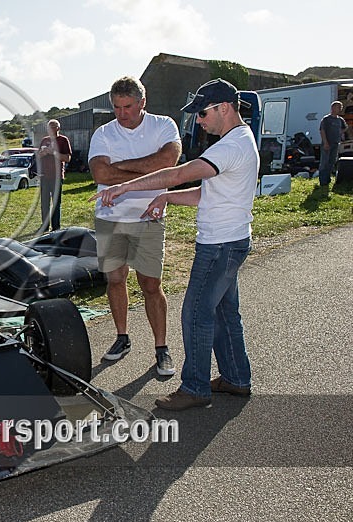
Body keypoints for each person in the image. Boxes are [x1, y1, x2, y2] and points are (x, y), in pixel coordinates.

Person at [93, 78, 258, 411]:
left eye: (203, 113)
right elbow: (203, 192)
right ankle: (236, 379)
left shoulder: (230, 145)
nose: (199, 120)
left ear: (223, 108)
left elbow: (177, 172)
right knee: (226, 314)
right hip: (231, 241)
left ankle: (195, 387)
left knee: (196, 314)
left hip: (220, 245)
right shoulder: (240, 140)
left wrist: (126, 188)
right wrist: (166, 196)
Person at [87, 76, 182, 376]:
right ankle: (122, 338)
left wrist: (121, 171)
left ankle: (161, 347)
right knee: (115, 280)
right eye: (116, 107)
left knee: (151, 285)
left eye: (128, 107)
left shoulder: (164, 125)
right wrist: (148, 171)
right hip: (110, 218)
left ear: (143, 102)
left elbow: (167, 163)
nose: (121, 113)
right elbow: (100, 173)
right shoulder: (103, 133)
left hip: (148, 218)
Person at [37, 119, 72, 232]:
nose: (51, 129)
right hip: (44, 175)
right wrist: (43, 153)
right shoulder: (44, 140)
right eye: (49, 127)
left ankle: (56, 227)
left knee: (56, 202)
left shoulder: (63, 140)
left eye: (53, 127)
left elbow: (67, 158)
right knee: (44, 203)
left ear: (58, 128)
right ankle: (44, 226)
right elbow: (38, 156)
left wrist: (53, 152)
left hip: (56, 176)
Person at [318, 100, 348, 186]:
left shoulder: (340, 120)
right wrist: (325, 142)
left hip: (336, 143)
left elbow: (345, 127)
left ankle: (328, 179)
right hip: (327, 143)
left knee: (332, 161)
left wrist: (340, 132)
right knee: (324, 162)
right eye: (339, 107)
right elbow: (322, 131)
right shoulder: (326, 119)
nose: (340, 109)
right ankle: (322, 181)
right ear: (333, 108)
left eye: (341, 108)